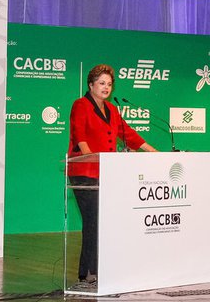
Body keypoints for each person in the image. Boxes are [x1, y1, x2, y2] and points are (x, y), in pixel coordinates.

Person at [67, 64, 157, 284]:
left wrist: (152, 151)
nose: (106, 87)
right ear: (91, 85)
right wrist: (89, 156)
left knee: (104, 221)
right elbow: (79, 134)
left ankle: (99, 269)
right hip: (85, 172)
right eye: (101, 83)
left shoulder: (112, 110)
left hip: (106, 173)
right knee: (93, 220)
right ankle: (89, 272)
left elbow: (128, 134)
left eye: (109, 84)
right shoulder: (80, 105)